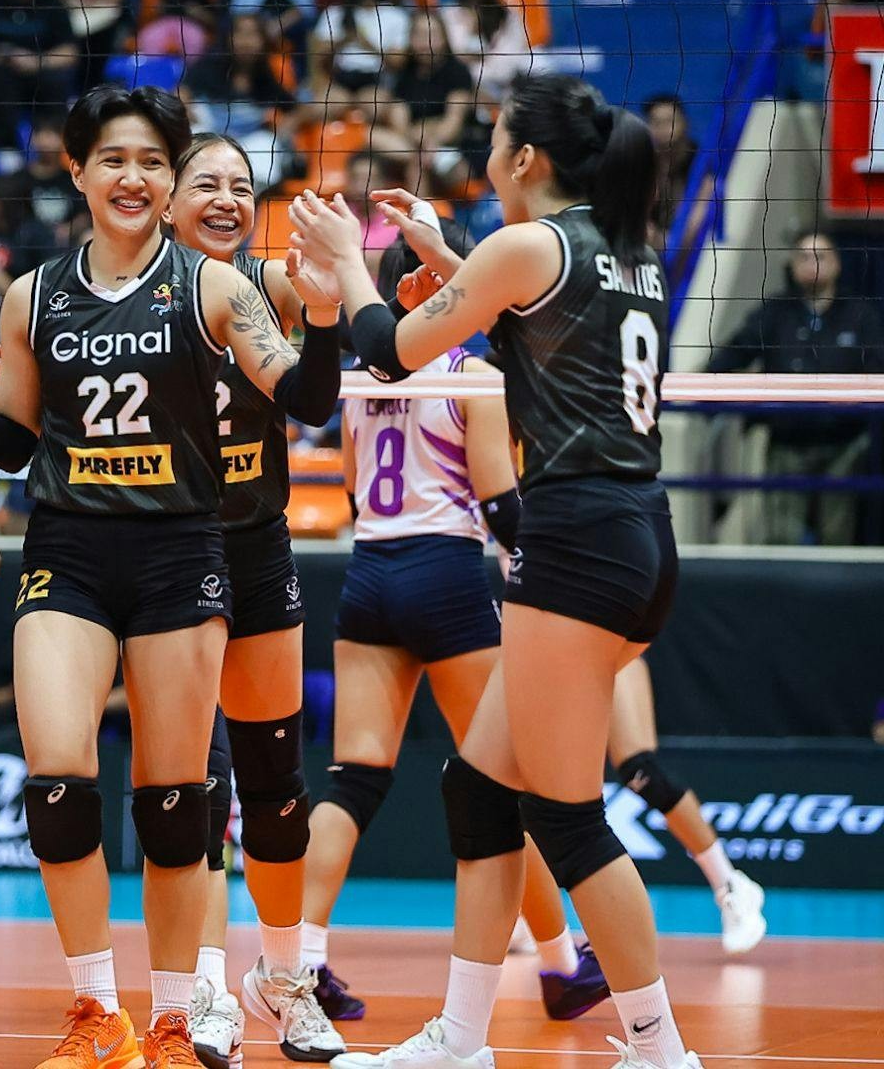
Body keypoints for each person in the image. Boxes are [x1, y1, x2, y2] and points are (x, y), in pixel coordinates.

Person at [0, 86, 341, 1069]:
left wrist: (321, 312)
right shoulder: (33, 294)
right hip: (67, 550)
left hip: (181, 553)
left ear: (168, 178)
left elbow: (310, 399)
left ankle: (176, 1018)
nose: (134, 177)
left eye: (152, 161)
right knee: (57, 784)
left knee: (175, 801)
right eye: (114, 159)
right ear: (78, 171)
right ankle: (97, 1012)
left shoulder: (215, 287)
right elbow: (16, 441)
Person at [292, 71, 703, 1069]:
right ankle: (461, 1038)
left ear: (523, 158)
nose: (483, 155)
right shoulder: (624, 252)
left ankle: (661, 1052)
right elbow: (528, 323)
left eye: (492, 139)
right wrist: (445, 254)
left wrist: (347, 262)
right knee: (479, 789)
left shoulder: (526, 248)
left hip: (578, 540)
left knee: (564, 816)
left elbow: (388, 349)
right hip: (634, 533)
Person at [298, 214, 610, 1028]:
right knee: (506, 782)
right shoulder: (473, 373)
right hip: (446, 574)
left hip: (370, 572)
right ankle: (560, 963)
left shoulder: (361, 378)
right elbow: (501, 504)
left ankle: (299, 960)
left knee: (353, 778)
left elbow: (355, 492)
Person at [153, 132, 346, 1066]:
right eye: (207, 184)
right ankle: (203, 987)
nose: (227, 198)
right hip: (166, 551)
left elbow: (318, 390)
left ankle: (283, 978)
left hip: (258, 547)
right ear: (167, 199)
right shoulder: (132, 299)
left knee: (276, 789)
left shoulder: (267, 287)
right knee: (194, 784)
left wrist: (336, 303)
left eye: (242, 185)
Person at [707, 228, 884, 546]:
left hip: (843, 444)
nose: (812, 264)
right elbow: (735, 351)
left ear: (837, 263)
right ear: (792, 264)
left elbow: (878, 365)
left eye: (820, 256)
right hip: (787, 442)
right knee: (782, 538)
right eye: (803, 257)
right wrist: (696, 382)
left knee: (836, 540)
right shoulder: (775, 313)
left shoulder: (860, 315)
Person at [608, 658, 766, 955]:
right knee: (531, 781)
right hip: (540, 656)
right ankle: (528, 919)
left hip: (602, 646)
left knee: (640, 771)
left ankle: (730, 885)